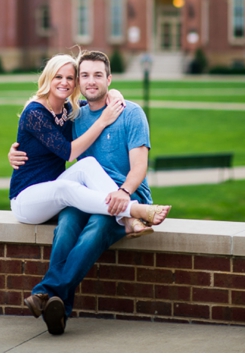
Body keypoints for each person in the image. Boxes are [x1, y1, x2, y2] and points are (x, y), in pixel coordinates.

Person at [9, 50, 164, 336]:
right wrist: (15, 152)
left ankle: (48, 294)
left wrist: (124, 192)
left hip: (125, 191)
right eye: (85, 76)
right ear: (80, 82)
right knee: (66, 226)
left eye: (98, 75)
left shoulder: (130, 113)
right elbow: (46, 136)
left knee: (95, 228)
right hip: (86, 194)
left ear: (109, 78)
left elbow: (139, 168)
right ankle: (55, 305)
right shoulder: (75, 114)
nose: (90, 81)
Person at [9, 53, 169, 232]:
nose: (64, 82)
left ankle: (127, 219)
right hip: (27, 200)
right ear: (48, 78)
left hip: (52, 191)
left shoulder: (68, 109)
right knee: (65, 188)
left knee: (87, 165)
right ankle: (133, 210)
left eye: (70, 78)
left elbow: (96, 101)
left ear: (76, 82)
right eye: (58, 77)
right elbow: (69, 153)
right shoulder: (35, 114)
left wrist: (114, 93)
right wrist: (103, 121)